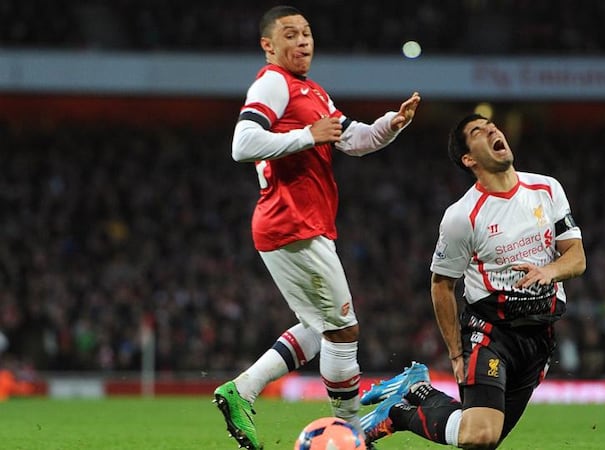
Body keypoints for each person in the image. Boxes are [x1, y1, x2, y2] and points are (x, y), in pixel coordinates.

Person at [212, 5, 421, 450]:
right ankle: (352, 430)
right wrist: (308, 136)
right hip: (293, 222)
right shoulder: (273, 82)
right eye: (290, 34)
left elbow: (355, 140)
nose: (303, 41)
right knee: (343, 330)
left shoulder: (314, 92)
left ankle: (242, 389)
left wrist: (393, 123)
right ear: (269, 45)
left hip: (298, 224)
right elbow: (242, 144)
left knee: (314, 327)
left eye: (307, 33)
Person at [359, 113, 586, 449]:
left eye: (492, 125)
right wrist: (455, 354)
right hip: (491, 332)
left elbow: (576, 257)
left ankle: (417, 389)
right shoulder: (461, 216)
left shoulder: (547, 189)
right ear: (469, 159)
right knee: (479, 435)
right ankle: (398, 414)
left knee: (482, 438)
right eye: (479, 131)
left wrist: (548, 271)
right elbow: (441, 284)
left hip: (539, 335)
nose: (492, 129)